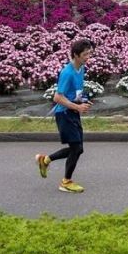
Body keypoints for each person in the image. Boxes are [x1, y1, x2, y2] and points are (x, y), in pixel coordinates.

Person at [35, 38, 93, 193]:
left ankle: (45, 160)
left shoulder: (80, 68)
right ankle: (66, 182)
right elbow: (57, 97)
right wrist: (77, 107)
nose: (88, 57)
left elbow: (74, 92)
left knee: (78, 149)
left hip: (72, 112)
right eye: (86, 54)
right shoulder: (67, 72)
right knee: (76, 148)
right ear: (76, 55)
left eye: (90, 53)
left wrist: (83, 101)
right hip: (64, 114)